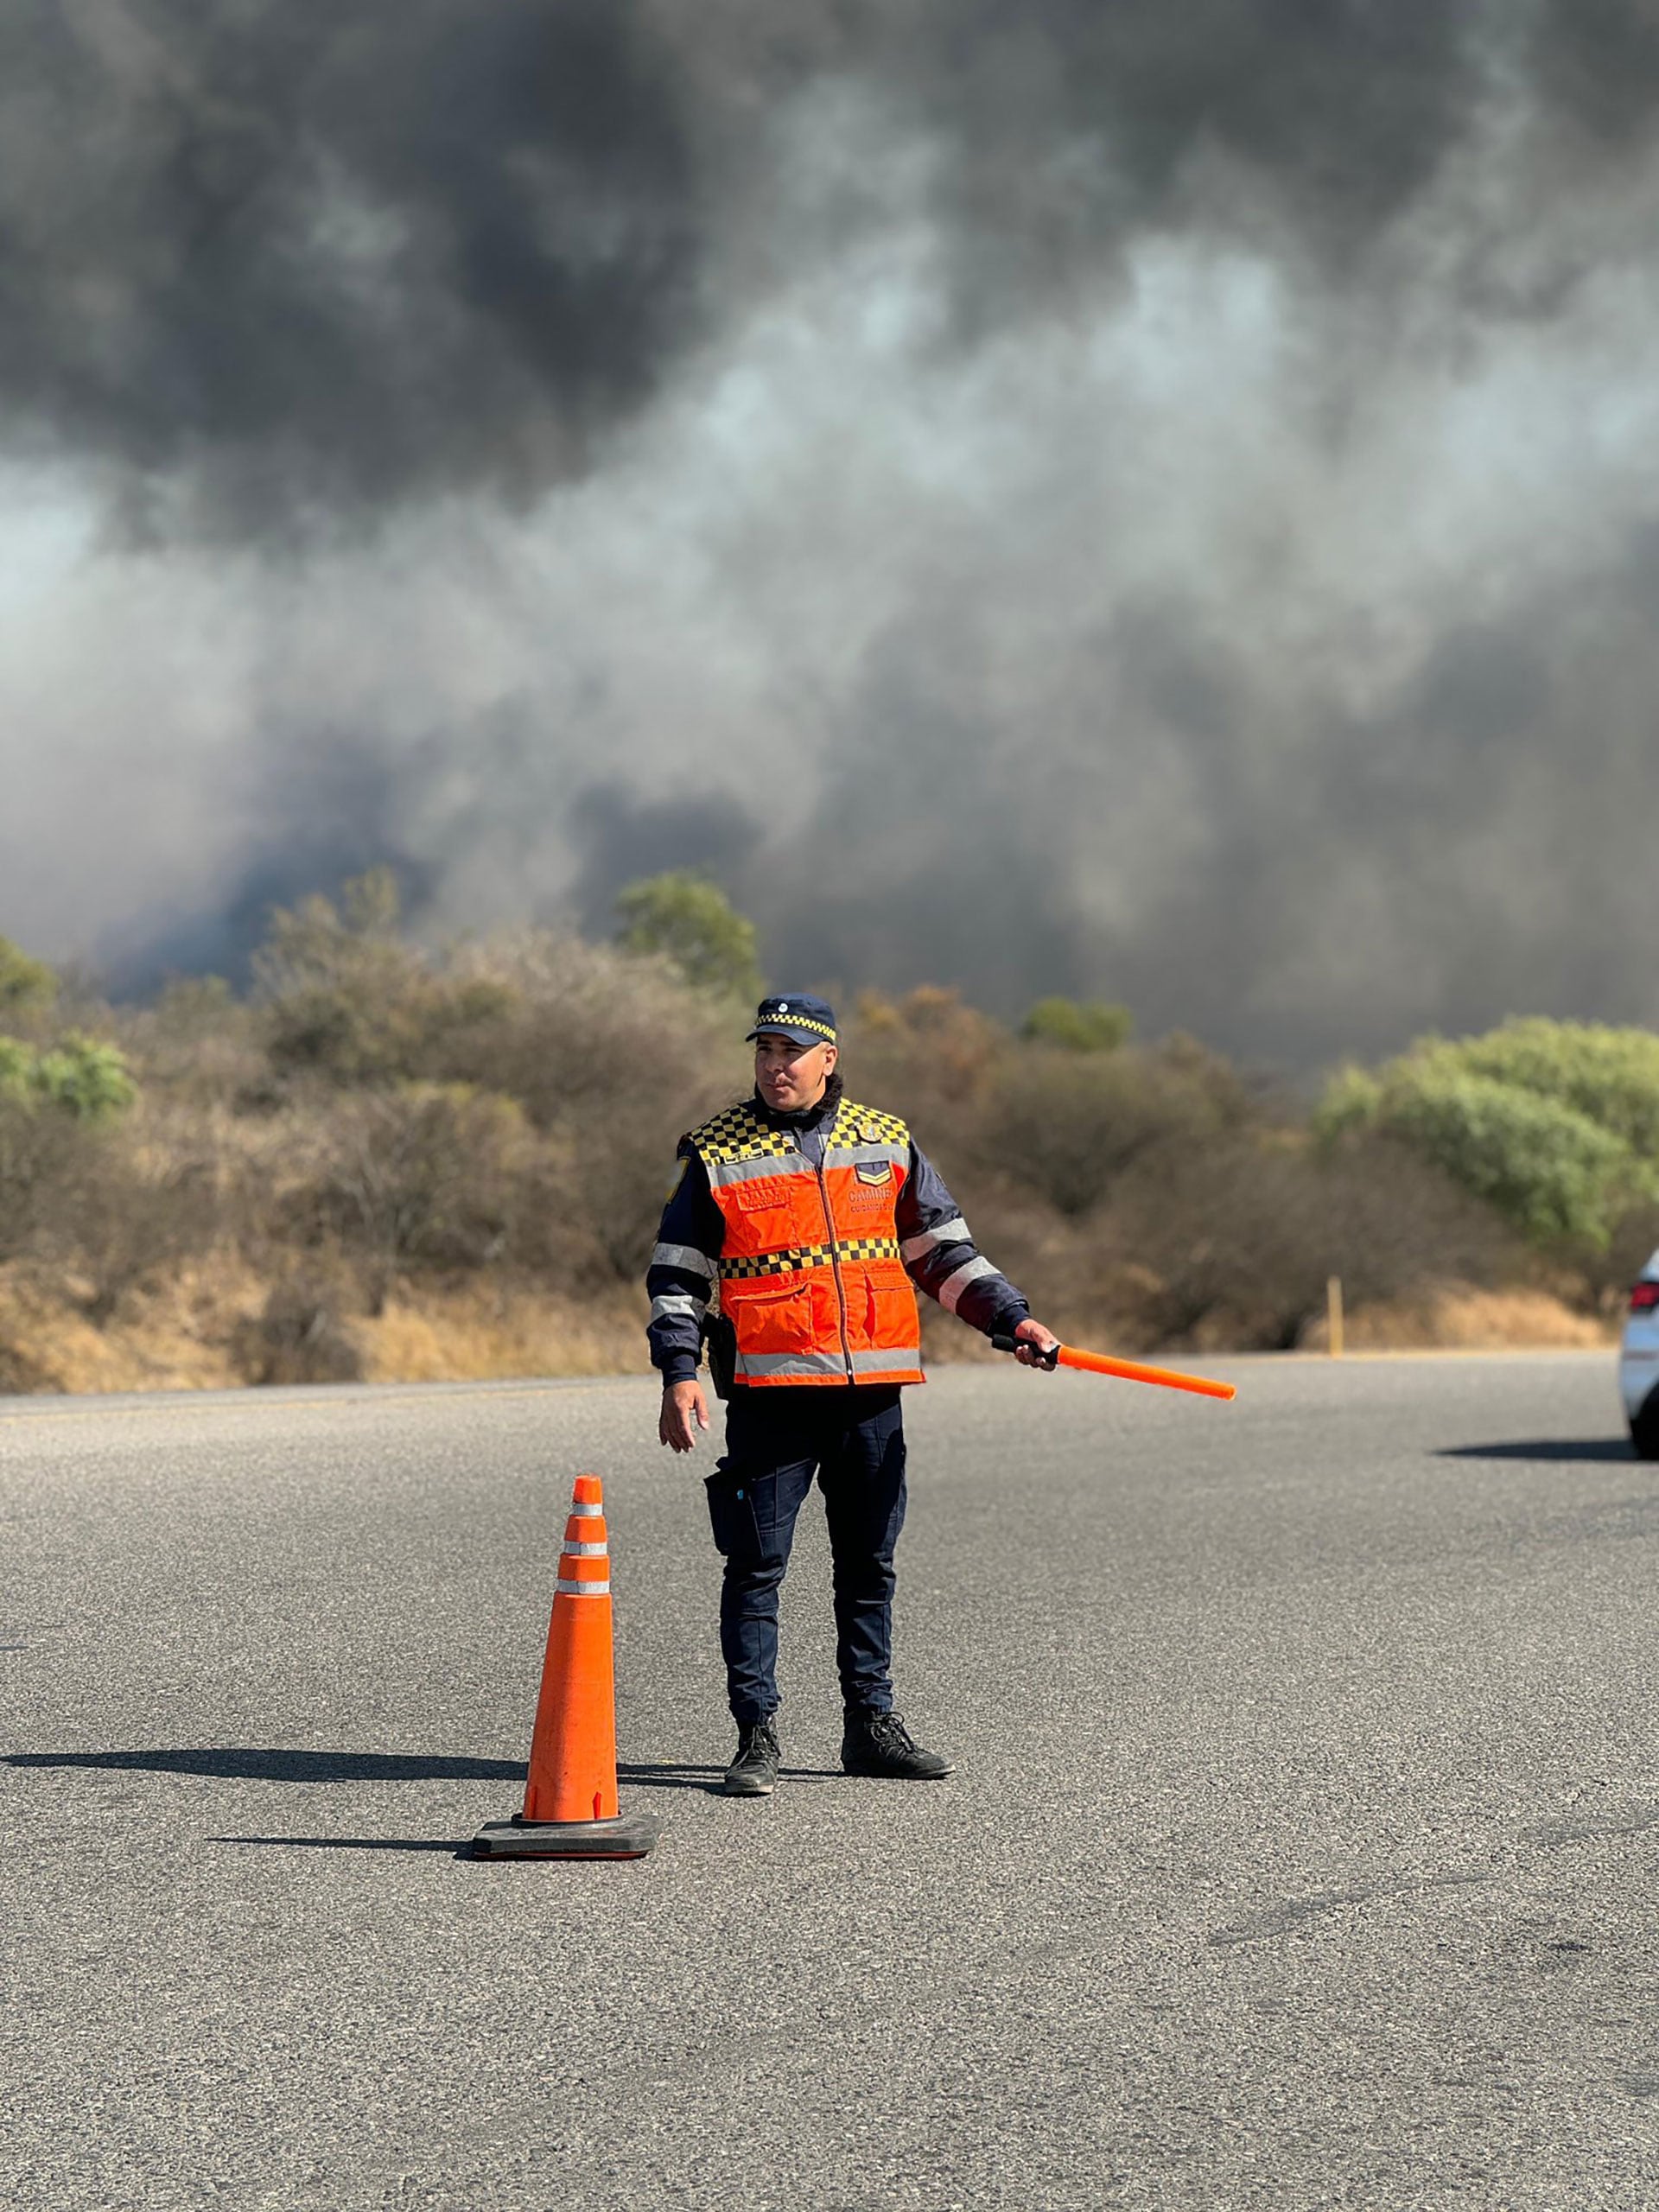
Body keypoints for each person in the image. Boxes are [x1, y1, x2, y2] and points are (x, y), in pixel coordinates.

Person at [646, 991, 1058, 1797]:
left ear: (827, 1058)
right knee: (756, 1566)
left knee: (868, 1567)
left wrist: (1014, 1320)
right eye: (763, 1050)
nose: (774, 1066)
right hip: (770, 1398)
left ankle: (870, 1727)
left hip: (871, 1399)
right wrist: (680, 1372)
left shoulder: (887, 1139)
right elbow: (677, 1277)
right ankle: (756, 1736)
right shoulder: (712, 1151)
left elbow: (942, 1256)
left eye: (790, 1052)